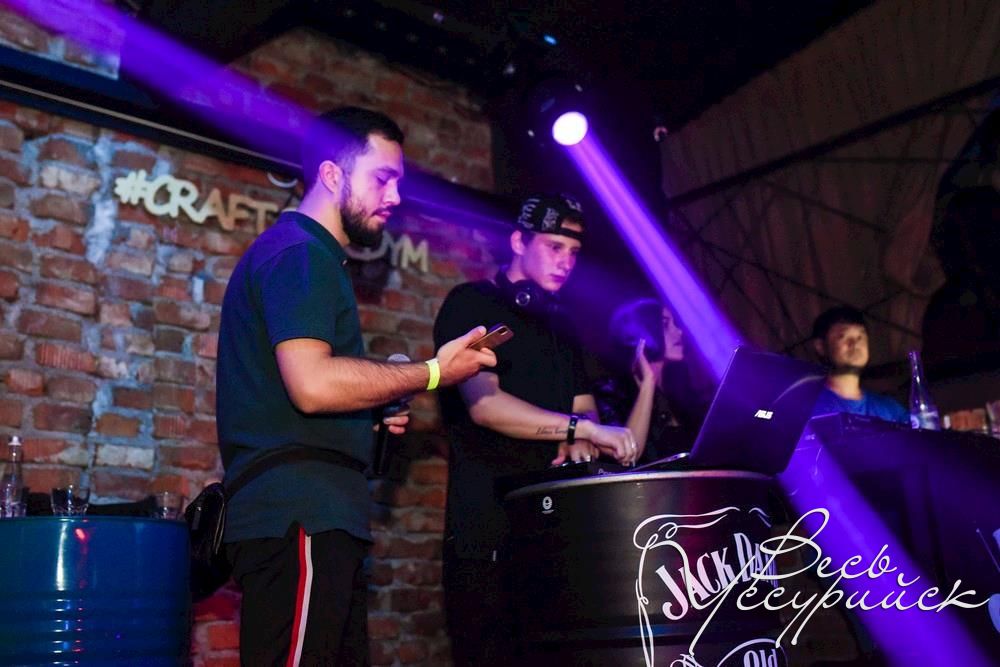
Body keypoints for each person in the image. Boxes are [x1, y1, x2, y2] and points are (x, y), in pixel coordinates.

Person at [215, 107, 496, 666]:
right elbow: (313, 385)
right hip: (300, 516)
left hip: (317, 516)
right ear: (331, 174)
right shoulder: (301, 253)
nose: (395, 197)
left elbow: (306, 392)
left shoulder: (309, 256)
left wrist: (374, 407)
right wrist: (434, 373)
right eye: (383, 179)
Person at [432, 194, 637, 666]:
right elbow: (485, 406)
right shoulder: (471, 303)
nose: (566, 262)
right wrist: (579, 430)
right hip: (489, 532)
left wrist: (584, 435)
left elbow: (585, 410)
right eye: (554, 247)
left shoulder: (561, 324)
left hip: (557, 534)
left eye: (574, 253)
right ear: (518, 242)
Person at [594, 298, 706, 464]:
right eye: (665, 324)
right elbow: (627, 457)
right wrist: (648, 383)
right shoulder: (610, 392)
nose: (679, 332)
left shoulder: (679, 390)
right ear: (641, 332)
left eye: (675, 324)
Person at [809, 305, 907, 424]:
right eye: (843, 336)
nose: (855, 343)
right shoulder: (806, 408)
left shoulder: (891, 411)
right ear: (820, 346)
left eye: (860, 337)